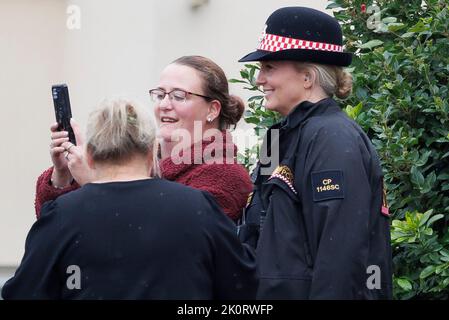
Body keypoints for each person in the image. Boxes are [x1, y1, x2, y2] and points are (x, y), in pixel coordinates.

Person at [2, 98, 257, 299]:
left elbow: (25, 290)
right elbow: (242, 285)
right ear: (150, 153)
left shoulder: (62, 214)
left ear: (89, 156)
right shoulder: (197, 206)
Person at [237, 7, 392, 299]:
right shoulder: (278, 138)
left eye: (269, 68)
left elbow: (341, 259)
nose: (259, 80)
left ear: (307, 77)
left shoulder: (332, 138)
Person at [34, 56, 252, 222]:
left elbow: (165, 238)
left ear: (212, 109)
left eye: (179, 96)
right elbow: (54, 223)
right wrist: (63, 175)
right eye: (160, 94)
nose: (164, 104)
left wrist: (94, 185)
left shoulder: (226, 175)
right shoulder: (133, 156)